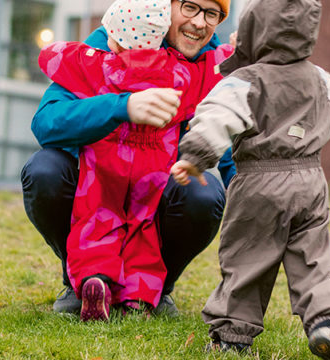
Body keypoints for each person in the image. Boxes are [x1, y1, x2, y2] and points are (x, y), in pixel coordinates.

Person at [170, 0, 330, 359]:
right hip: (311, 179)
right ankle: (327, 324)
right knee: (313, 260)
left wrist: (195, 156)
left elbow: (218, 115)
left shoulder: (247, 79)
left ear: (258, 32)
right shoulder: (322, 78)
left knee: (247, 258)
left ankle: (232, 334)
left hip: (259, 179)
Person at [21, 0, 233, 316]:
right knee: (44, 170)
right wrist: (122, 106)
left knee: (204, 193)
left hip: (159, 190)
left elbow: (230, 144)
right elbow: (47, 121)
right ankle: (80, 279)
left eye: (212, 14)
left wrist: (254, 197)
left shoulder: (209, 69)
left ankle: (157, 289)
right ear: (166, 7)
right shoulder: (113, 39)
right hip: (95, 182)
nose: (199, 23)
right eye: (189, 7)